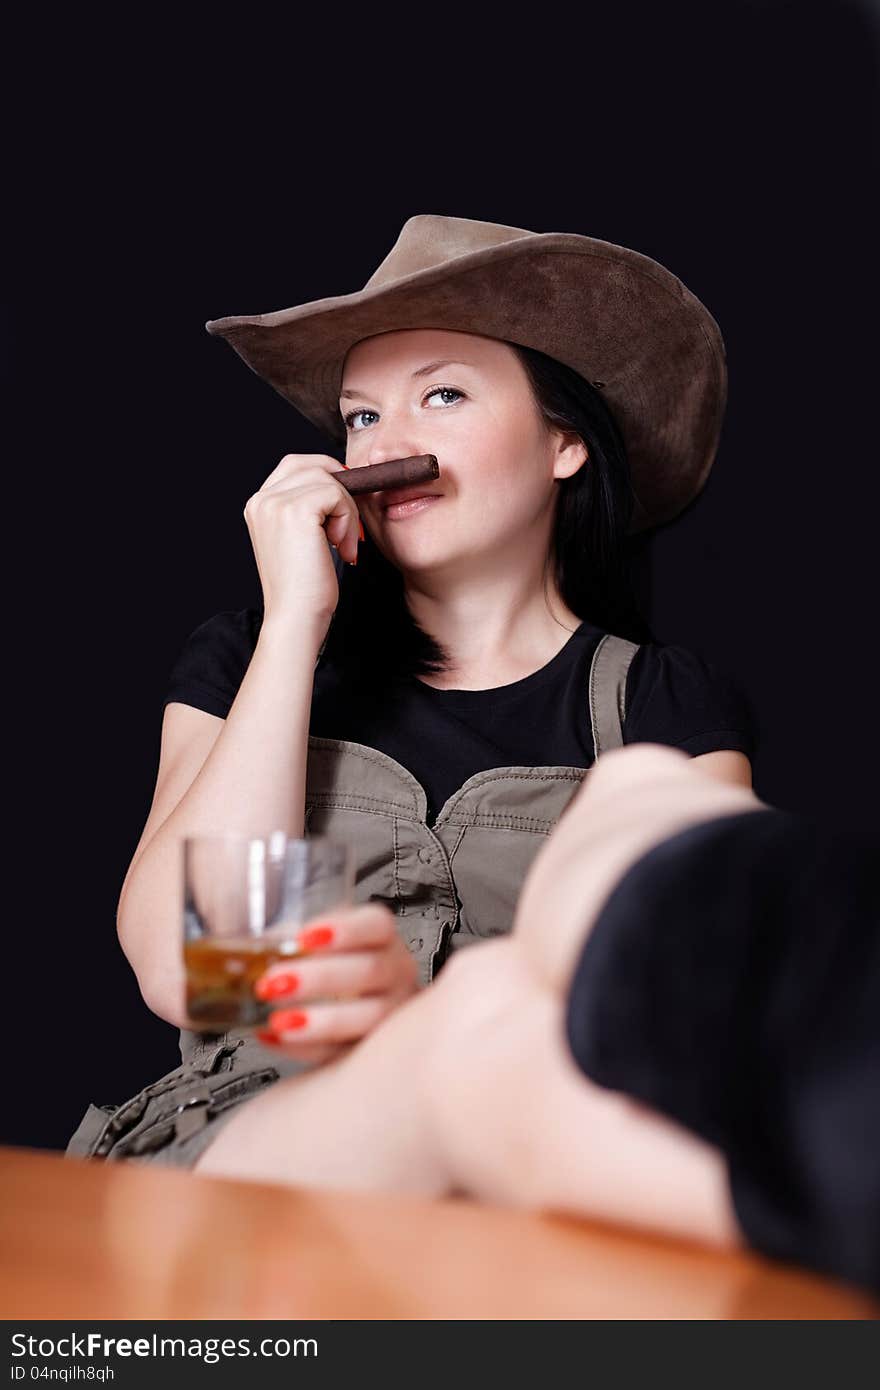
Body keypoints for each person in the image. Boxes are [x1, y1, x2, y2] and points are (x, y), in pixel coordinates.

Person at [66, 213, 755, 1170]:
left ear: (566, 443)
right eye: (361, 415)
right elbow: (194, 971)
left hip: (536, 1166)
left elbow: (697, 1006)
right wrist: (294, 626)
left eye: (441, 394)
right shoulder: (248, 663)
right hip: (250, 1155)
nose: (389, 445)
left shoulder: (661, 709)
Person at [192, 743, 879, 1296]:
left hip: (520, 1139)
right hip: (251, 1124)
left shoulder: (656, 692)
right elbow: (187, 979)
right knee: (628, 796)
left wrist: (404, 1019)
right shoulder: (264, 656)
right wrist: (293, 625)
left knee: (500, 1003)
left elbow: (697, 1061)